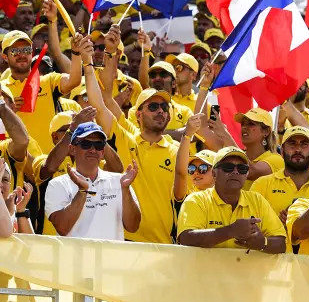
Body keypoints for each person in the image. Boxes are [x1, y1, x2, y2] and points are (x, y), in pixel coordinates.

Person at [85, 39, 181, 243]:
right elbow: (100, 104)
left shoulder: (178, 150)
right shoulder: (124, 139)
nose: (160, 111)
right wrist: (87, 62)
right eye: (153, 107)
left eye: (164, 107)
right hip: (124, 243)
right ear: (137, 115)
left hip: (164, 246)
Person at [177, 147, 286, 253]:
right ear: (214, 173)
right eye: (228, 167)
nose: (235, 172)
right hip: (205, 271)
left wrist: (262, 243)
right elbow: (186, 238)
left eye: (242, 168)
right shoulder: (197, 200)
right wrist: (230, 231)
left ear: (247, 174)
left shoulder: (257, 200)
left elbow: (281, 243)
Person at [45, 122, 141, 240]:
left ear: (103, 152)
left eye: (99, 145)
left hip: (111, 258)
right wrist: (83, 191)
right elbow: (62, 228)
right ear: (72, 149)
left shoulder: (120, 182)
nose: (93, 150)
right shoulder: (58, 184)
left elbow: (133, 226)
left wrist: (125, 190)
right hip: (74, 259)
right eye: (86, 144)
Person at [0, 29, 85, 152]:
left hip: (50, 163)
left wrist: (76, 53)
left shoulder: (48, 81)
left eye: (26, 50)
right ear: (5, 57)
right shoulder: (2, 90)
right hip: (19, 164)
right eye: (14, 51)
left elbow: (74, 81)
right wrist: (7, 113)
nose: (22, 55)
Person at [250, 126, 309, 228]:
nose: (298, 149)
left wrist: (305, 221)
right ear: (281, 151)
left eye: (304, 144)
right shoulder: (262, 185)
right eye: (292, 144)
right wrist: (278, 223)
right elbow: (250, 227)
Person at [234, 108, 284, 190]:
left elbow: (250, 171)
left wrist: (225, 135)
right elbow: (204, 129)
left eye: (251, 124)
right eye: (243, 124)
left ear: (266, 132)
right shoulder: (239, 155)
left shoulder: (276, 160)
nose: (244, 127)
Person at [0, 159, 16, 237]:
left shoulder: (15, 209)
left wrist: (21, 212)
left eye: (5, 179)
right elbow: (5, 232)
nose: (0, 184)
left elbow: (30, 245)